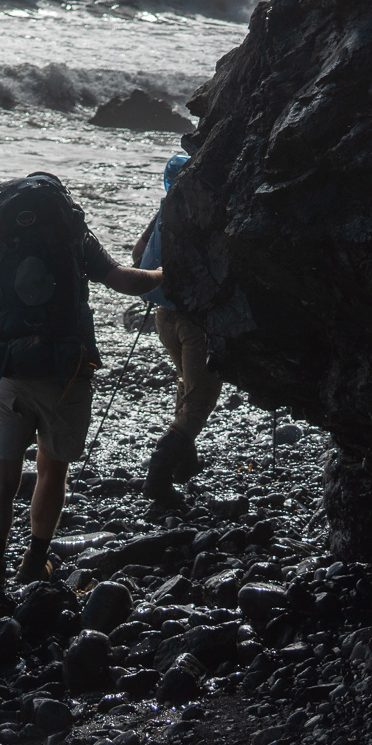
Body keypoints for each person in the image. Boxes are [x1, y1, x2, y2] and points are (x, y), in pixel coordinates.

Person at [0, 172, 162, 614]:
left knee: (1, 478)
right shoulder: (74, 235)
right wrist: (163, 272)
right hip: (65, 375)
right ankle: (35, 562)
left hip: (10, 375)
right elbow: (123, 280)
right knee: (52, 472)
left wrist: (2, 349)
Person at [133, 153, 223, 505]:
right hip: (194, 322)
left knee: (188, 382)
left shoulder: (164, 210)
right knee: (201, 397)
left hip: (162, 317)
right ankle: (158, 474)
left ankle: (185, 463)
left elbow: (139, 251)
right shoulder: (203, 211)